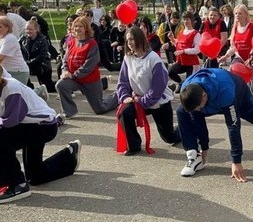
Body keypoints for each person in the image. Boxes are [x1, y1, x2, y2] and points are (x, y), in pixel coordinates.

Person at [176, 68, 253, 180]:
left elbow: (233, 126)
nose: (198, 110)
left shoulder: (225, 90)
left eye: (198, 107)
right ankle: (193, 156)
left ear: (204, 96)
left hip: (240, 98)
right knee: (182, 112)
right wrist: (204, 148)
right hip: (212, 101)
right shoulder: (187, 90)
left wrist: (236, 161)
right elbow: (197, 119)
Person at [0, 70, 81, 203]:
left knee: (2, 140)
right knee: (36, 177)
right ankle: (69, 156)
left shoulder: (11, 88)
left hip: (42, 127)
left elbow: (10, 121)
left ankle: (17, 184)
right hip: (29, 125)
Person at [115, 27, 180, 156]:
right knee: (124, 112)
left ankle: (184, 128)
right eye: (128, 40)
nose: (130, 43)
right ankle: (134, 146)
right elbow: (122, 82)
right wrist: (124, 97)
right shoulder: (128, 58)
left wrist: (142, 102)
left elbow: (157, 89)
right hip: (139, 99)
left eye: (132, 39)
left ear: (140, 39)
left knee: (169, 138)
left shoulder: (153, 59)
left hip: (158, 102)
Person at [56, 16, 118, 120]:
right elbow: (65, 60)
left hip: (90, 81)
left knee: (100, 109)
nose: (77, 28)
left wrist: (73, 75)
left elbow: (89, 65)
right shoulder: (71, 43)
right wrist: (65, 71)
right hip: (75, 80)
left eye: (80, 26)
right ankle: (69, 112)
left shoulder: (92, 44)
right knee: (61, 85)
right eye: (75, 26)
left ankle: (118, 96)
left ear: (86, 28)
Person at [19, 19, 56, 93]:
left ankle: (60, 85)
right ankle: (29, 87)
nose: (28, 31)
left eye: (30, 29)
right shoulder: (22, 39)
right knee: (22, 71)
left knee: (48, 88)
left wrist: (28, 62)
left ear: (36, 30)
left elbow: (42, 56)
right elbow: (16, 49)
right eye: (27, 29)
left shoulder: (43, 39)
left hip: (42, 65)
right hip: (27, 64)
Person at [167, 11, 201, 90]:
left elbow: (197, 50)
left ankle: (185, 86)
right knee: (170, 72)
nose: (185, 21)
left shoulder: (196, 33)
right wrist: (172, 39)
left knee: (189, 87)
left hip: (191, 64)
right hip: (181, 61)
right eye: (184, 19)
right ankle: (181, 83)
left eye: (188, 19)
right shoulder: (182, 32)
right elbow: (178, 45)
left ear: (192, 20)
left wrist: (184, 51)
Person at [0, 16, 30, 84]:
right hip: (7, 71)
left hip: (17, 72)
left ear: (7, 28)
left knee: (18, 93)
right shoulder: (1, 38)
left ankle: (39, 91)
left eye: (0, 27)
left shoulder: (10, 39)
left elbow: (1, 58)